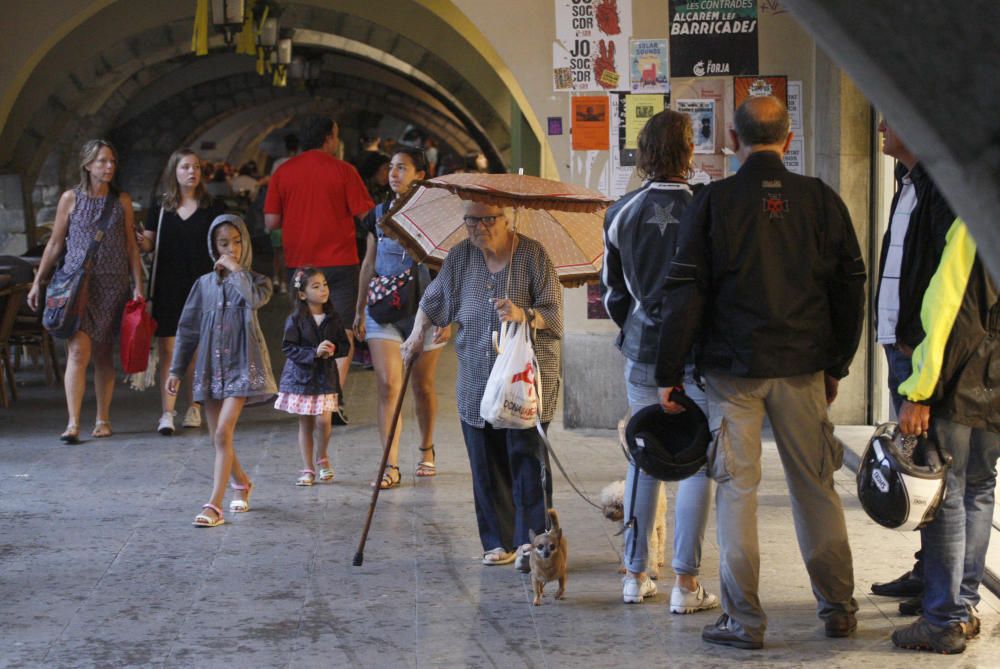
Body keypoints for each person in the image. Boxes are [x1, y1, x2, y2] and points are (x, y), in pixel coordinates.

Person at [655, 96, 866, 649]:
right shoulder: (821, 199)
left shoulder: (715, 201)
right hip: (802, 369)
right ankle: (839, 606)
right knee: (816, 487)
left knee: (737, 491)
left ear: (732, 136)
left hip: (733, 373)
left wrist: (669, 369)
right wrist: (837, 361)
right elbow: (850, 287)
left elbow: (687, 291)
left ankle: (744, 620)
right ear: (789, 137)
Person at [600, 109, 719, 612]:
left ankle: (633, 573)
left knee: (644, 456)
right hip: (699, 355)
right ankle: (686, 586)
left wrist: (636, 325)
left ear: (644, 153)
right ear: (689, 154)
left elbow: (611, 296)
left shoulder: (621, 212)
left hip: (643, 351)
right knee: (697, 465)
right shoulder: (708, 208)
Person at [401, 200, 562, 570]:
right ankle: (496, 541)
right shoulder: (461, 257)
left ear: (506, 220)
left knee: (525, 460)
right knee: (485, 461)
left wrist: (523, 314)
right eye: (470, 220)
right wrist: (415, 333)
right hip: (477, 378)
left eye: (486, 220)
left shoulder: (534, 256)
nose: (477, 228)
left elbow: (554, 315)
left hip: (525, 382)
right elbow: (434, 297)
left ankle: (532, 542)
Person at [891, 219, 998, 654]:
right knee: (979, 487)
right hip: (996, 385)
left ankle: (943, 619)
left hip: (961, 381)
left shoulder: (975, 221)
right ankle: (964, 608)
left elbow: (947, 310)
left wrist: (920, 391)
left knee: (948, 494)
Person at [868, 119, 955, 608]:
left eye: (891, 119)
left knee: (933, 469)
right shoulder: (907, 184)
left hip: (916, 354)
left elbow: (943, 281)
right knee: (915, 465)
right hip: (898, 347)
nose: (880, 126)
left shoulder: (938, 191)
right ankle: (927, 574)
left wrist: (919, 353)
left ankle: (943, 595)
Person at [27, 139, 144, 442]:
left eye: (112, 162)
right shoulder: (70, 198)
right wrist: (39, 280)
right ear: (88, 164)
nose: (108, 167)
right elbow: (55, 243)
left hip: (112, 283)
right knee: (78, 351)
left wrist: (138, 286)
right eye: (102, 161)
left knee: (104, 353)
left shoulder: (122, 201)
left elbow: (131, 246)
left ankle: (103, 418)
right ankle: (73, 422)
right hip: (77, 283)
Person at [265, 115, 375, 425]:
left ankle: (310, 398)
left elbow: (271, 221)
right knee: (343, 332)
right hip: (341, 263)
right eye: (336, 136)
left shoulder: (283, 172)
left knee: (306, 333)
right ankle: (333, 398)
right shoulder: (344, 171)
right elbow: (366, 216)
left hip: (301, 265)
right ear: (328, 138)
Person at [167, 214, 276, 527]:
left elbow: (254, 301)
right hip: (210, 368)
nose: (232, 249)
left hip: (242, 365)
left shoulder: (257, 281)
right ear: (213, 248)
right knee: (218, 436)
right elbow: (187, 329)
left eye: (237, 242)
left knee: (224, 430)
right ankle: (241, 482)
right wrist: (176, 370)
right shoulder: (203, 285)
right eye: (224, 244)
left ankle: (215, 504)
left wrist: (237, 270)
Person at [354, 148, 450, 489]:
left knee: (422, 386)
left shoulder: (436, 216)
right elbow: (368, 264)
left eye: (402, 168)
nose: (394, 173)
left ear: (420, 174)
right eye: (391, 168)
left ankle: (426, 448)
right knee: (388, 386)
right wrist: (358, 311)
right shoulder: (377, 216)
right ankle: (390, 464)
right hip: (383, 310)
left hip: (426, 312)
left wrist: (448, 314)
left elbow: (448, 268)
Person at [139, 148, 223, 436]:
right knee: (169, 348)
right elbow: (149, 243)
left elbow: (223, 242)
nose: (192, 172)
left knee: (198, 349)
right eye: (186, 167)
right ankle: (167, 411)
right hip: (168, 283)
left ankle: (195, 406)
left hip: (203, 284)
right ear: (174, 171)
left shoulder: (213, 206)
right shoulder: (161, 207)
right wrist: (140, 241)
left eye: (196, 167)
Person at [276, 267, 351, 486]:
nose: (323, 290)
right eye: (316, 286)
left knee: (324, 420)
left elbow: (345, 346)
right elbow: (288, 348)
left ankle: (322, 455)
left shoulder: (333, 318)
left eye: (325, 285)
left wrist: (333, 349)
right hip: (302, 379)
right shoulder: (296, 319)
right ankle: (307, 467)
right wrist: (312, 353)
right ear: (302, 294)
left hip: (326, 378)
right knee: (306, 423)